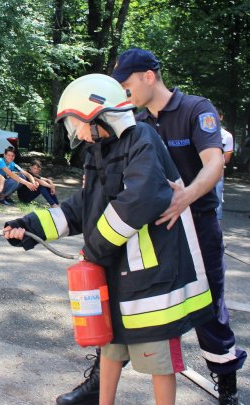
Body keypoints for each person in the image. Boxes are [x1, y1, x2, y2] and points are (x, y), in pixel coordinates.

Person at [5, 74, 214, 405]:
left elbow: (140, 199)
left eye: (79, 124)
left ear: (102, 114)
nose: (78, 133)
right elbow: (84, 207)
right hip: (117, 272)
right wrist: (30, 226)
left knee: (159, 362)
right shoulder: (99, 151)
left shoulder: (142, 139)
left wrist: (93, 249)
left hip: (153, 278)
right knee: (111, 349)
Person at [110, 48, 244, 405]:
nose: (126, 93)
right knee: (130, 303)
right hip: (158, 229)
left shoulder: (195, 109)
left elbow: (214, 164)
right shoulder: (136, 121)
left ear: (148, 77)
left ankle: (226, 384)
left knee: (209, 308)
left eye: (127, 85)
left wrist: (186, 197)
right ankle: (100, 379)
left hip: (198, 223)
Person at [215, 109, 234, 220]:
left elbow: (226, 159)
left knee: (217, 200)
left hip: (217, 172)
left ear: (221, 117)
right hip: (196, 170)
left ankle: (216, 228)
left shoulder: (227, 136)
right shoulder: (196, 132)